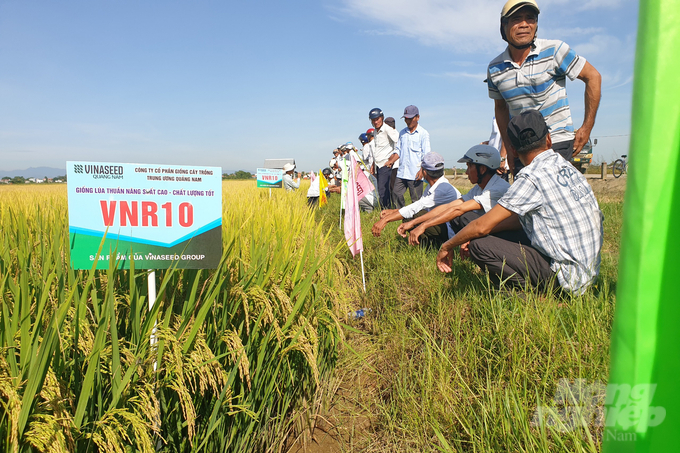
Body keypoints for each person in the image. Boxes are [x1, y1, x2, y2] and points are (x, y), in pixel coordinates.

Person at [436, 110, 603, 294]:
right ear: (549, 140)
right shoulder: (565, 166)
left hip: (567, 279)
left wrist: (447, 246)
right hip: (588, 271)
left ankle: (531, 296)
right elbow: (517, 220)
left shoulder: (531, 177)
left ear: (513, 151)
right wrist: (472, 234)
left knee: (479, 246)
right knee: (478, 233)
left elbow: (481, 226)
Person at [487, 0, 602, 176]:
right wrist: (509, 149)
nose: (524, 24)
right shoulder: (495, 68)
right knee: (524, 202)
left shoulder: (554, 50)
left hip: (555, 143)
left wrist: (587, 127)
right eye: (517, 19)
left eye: (530, 18)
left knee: (555, 200)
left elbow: (593, 76)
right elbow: (500, 108)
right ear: (504, 26)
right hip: (521, 148)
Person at [398, 144, 510, 247]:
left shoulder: (496, 189)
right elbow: (449, 206)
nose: (466, 172)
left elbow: (458, 209)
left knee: (464, 217)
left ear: (482, 169)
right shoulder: (479, 188)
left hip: (503, 238)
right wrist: (413, 223)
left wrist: (423, 226)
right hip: (488, 231)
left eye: (469, 167)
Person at [372, 152, 460, 247]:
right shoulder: (434, 186)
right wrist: (393, 211)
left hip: (452, 231)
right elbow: (420, 205)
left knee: (414, 215)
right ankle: (427, 245)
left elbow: (417, 208)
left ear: (425, 172)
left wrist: (386, 219)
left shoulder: (442, 189)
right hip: (445, 225)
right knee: (411, 215)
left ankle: (434, 245)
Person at [386, 105, 431, 209]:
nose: (408, 121)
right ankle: (401, 213)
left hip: (415, 173)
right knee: (396, 193)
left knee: (415, 198)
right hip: (402, 172)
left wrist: (422, 170)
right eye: (406, 118)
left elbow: (426, 154)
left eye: (410, 118)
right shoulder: (402, 133)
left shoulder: (423, 134)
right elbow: (398, 150)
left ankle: (416, 218)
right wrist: (391, 161)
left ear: (417, 117)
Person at [368, 108, 399, 209]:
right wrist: (373, 164)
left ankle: (386, 210)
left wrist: (393, 157)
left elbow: (399, 142)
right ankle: (386, 210)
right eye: (373, 120)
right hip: (378, 164)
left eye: (377, 119)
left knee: (383, 190)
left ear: (382, 118)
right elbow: (377, 150)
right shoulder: (376, 132)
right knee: (382, 190)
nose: (376, 122)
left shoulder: (387, 129)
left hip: (385, 164)